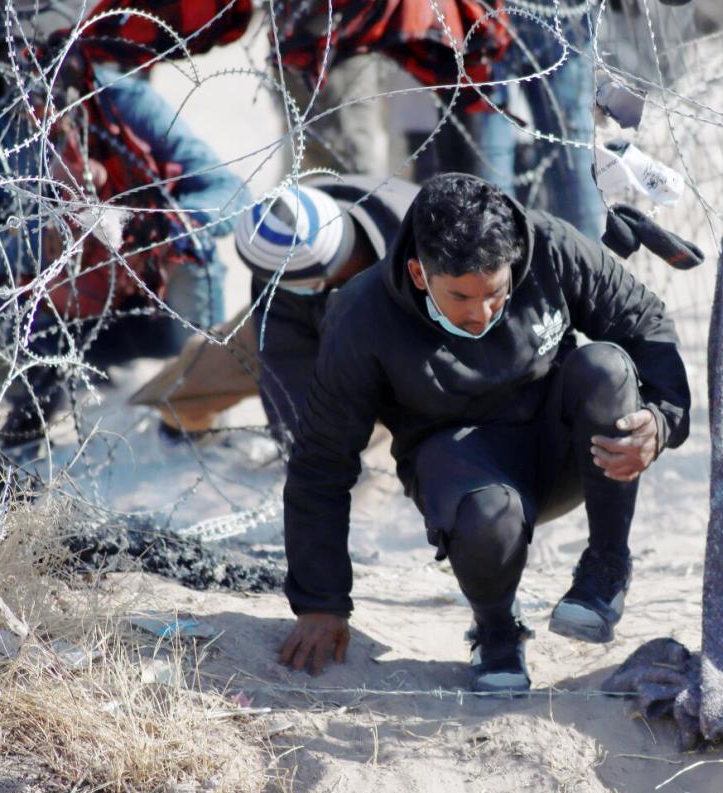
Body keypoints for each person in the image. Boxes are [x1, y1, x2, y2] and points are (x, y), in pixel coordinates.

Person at [276, 173, 691, 692]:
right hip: (464, 470)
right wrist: (320, 602)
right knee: (488, 515)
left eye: (495, 292)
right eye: (461, 297)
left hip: (565, 449)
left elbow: (644, 322)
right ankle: (496, 630)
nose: (482, 313)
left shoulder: (550, 248)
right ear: (420, 274)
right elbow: (321, 462)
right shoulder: (362, 319)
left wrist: (662, 420)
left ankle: (605, 568)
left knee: (605, 368)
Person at [0, 59, 248, 444]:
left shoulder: (125, 100)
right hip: (50, 319)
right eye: (14, 51)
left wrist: (157, 226)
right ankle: (26, 426)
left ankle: (191, 412)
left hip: (150, 307)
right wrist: (41, 245)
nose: (31, 63)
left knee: (195, 257)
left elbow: (230, 192)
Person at [236, 175, 418, 440]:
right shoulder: (279, 251)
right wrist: (310, 454)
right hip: (309, 336)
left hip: (409, 363)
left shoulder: (422, 242)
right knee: (191, 381)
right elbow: (287, 365)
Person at [473, 4, 606, 240]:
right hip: (558, 16)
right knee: (571, 150)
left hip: (491, 15)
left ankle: (500, 263)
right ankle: (586, 265)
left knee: (494, 156)